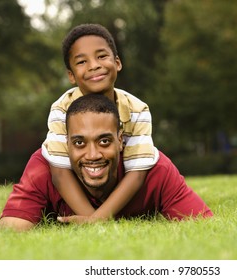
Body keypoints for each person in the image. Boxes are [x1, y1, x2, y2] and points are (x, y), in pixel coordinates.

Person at [0, 94, 213, 231]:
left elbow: (207, 229)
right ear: (66, 144)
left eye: (104, 141)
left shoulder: (155, 170)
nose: (93, 154)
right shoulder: (44, 167)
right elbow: (10, 231)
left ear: (121, 141)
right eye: (79, 142)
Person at [41, 23, 159, 221]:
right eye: (81, 62)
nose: (94, 65)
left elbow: (137, 173)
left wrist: (97, 220)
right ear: (71, 75)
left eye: (102, 56)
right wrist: (92, 220)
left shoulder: (138, 110)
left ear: (118, 62)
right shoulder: (61, 109)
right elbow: (60, 173)